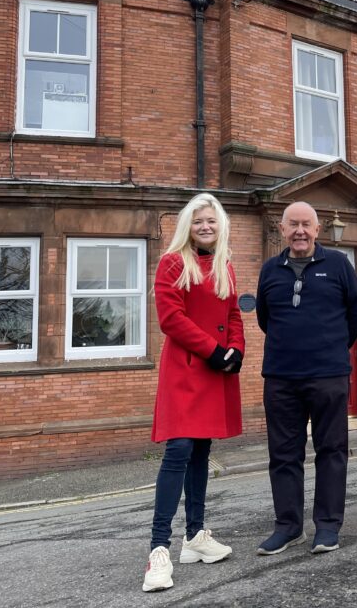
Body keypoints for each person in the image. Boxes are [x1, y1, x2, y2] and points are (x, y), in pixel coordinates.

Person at [143, 193, 245, 592]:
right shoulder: (172, 263)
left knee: (202, 451)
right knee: (179, 450)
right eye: (199, 221)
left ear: (221, 226)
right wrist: (215, 350)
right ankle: (158, 549)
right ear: (189, 225)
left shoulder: (225, 265)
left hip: (217, 368)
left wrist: (236, 350)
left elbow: (233, 314)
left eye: (212, 221)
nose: (206, 226)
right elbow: (171, 319)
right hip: (187, 371)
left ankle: (195, 537)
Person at [255, 201, 357, 556]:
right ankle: (288, 527)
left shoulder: (338, 265)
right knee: (283, 454)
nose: (300, 231)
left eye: (306, 224)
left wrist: (332, 346)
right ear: (282, 230)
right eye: (293, 225)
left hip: (329, 375)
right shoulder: (270, 270)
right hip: (281, 377)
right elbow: (264, 317)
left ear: (317, 230)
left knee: (331, 451)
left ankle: (328, 526)